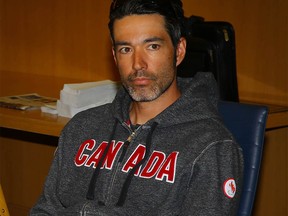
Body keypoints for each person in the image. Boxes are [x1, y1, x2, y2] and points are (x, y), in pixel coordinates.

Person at [30, 0, 243, 215]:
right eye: (126, 49)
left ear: (179, 51)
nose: (138, 64)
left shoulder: (209, 146)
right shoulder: (81, 127)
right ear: (114, 57)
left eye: (152, 46)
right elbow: (45, 210)